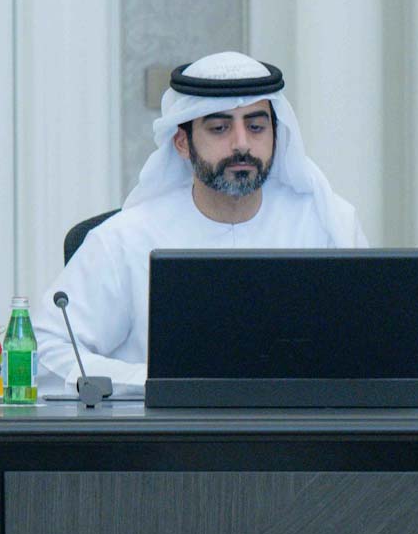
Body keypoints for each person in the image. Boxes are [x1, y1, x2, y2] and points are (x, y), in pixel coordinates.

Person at [37, 51, 367, 387]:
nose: (241, 144)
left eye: (256, 127)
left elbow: (369, 350)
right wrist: (159, 382)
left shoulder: (326, 224)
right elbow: (45, 352)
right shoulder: (126, 239)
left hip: (300, 420)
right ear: (182, 142)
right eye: (220, 128)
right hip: (165, 421)